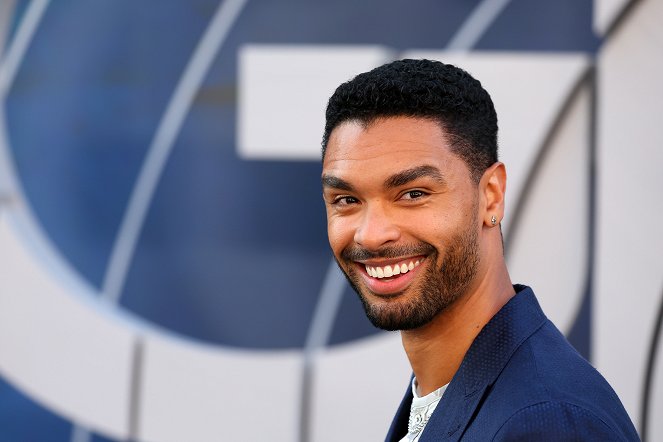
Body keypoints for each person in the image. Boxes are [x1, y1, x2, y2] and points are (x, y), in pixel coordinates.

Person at [320, 59, 639, 441]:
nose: (371, 235)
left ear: (491, 196)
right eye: (346, 199)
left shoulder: (547, 422)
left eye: (413, 194)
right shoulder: (450, 392)